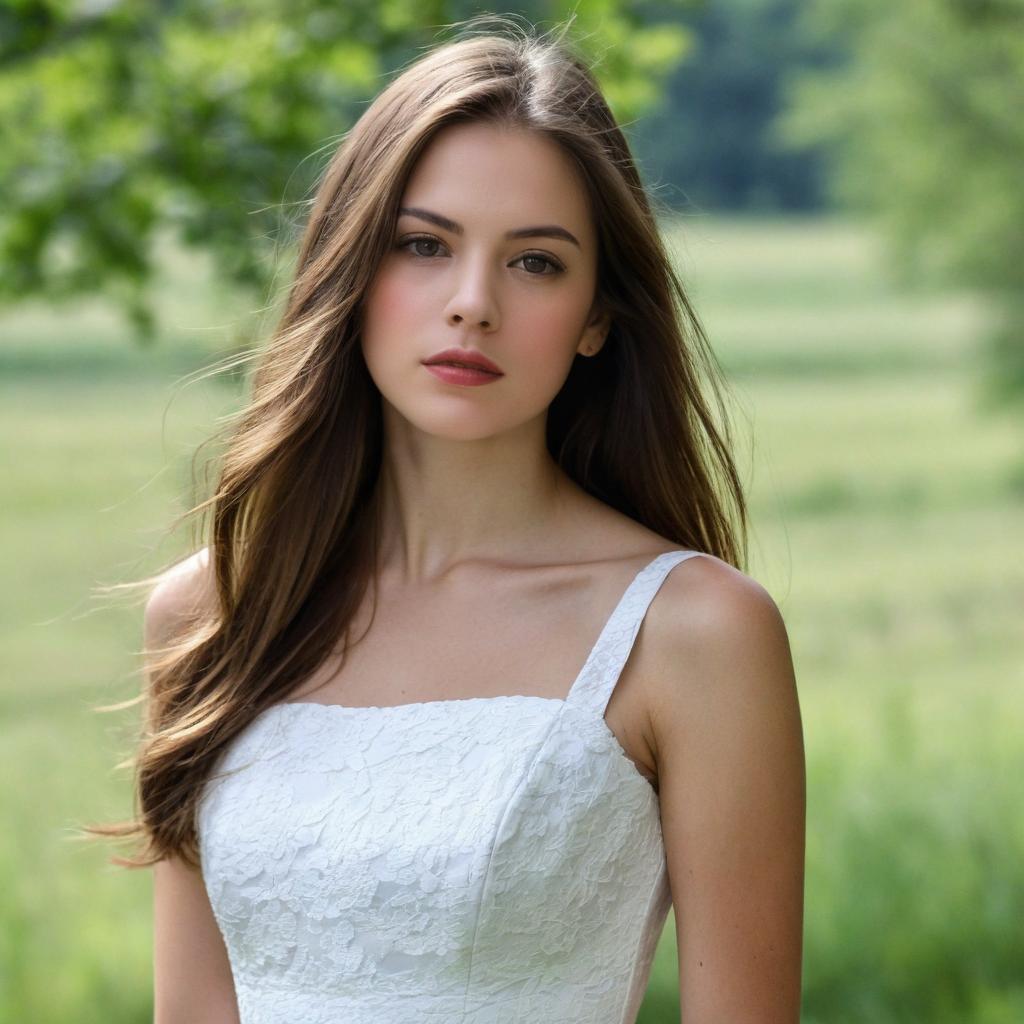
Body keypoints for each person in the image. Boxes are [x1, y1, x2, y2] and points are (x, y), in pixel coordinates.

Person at [90, 15, 805, 1024]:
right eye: (424, 245)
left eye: (535, 263)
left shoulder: (693, 633)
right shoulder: (213, 614)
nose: (471, 303)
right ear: (352, 272)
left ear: (599, 314)